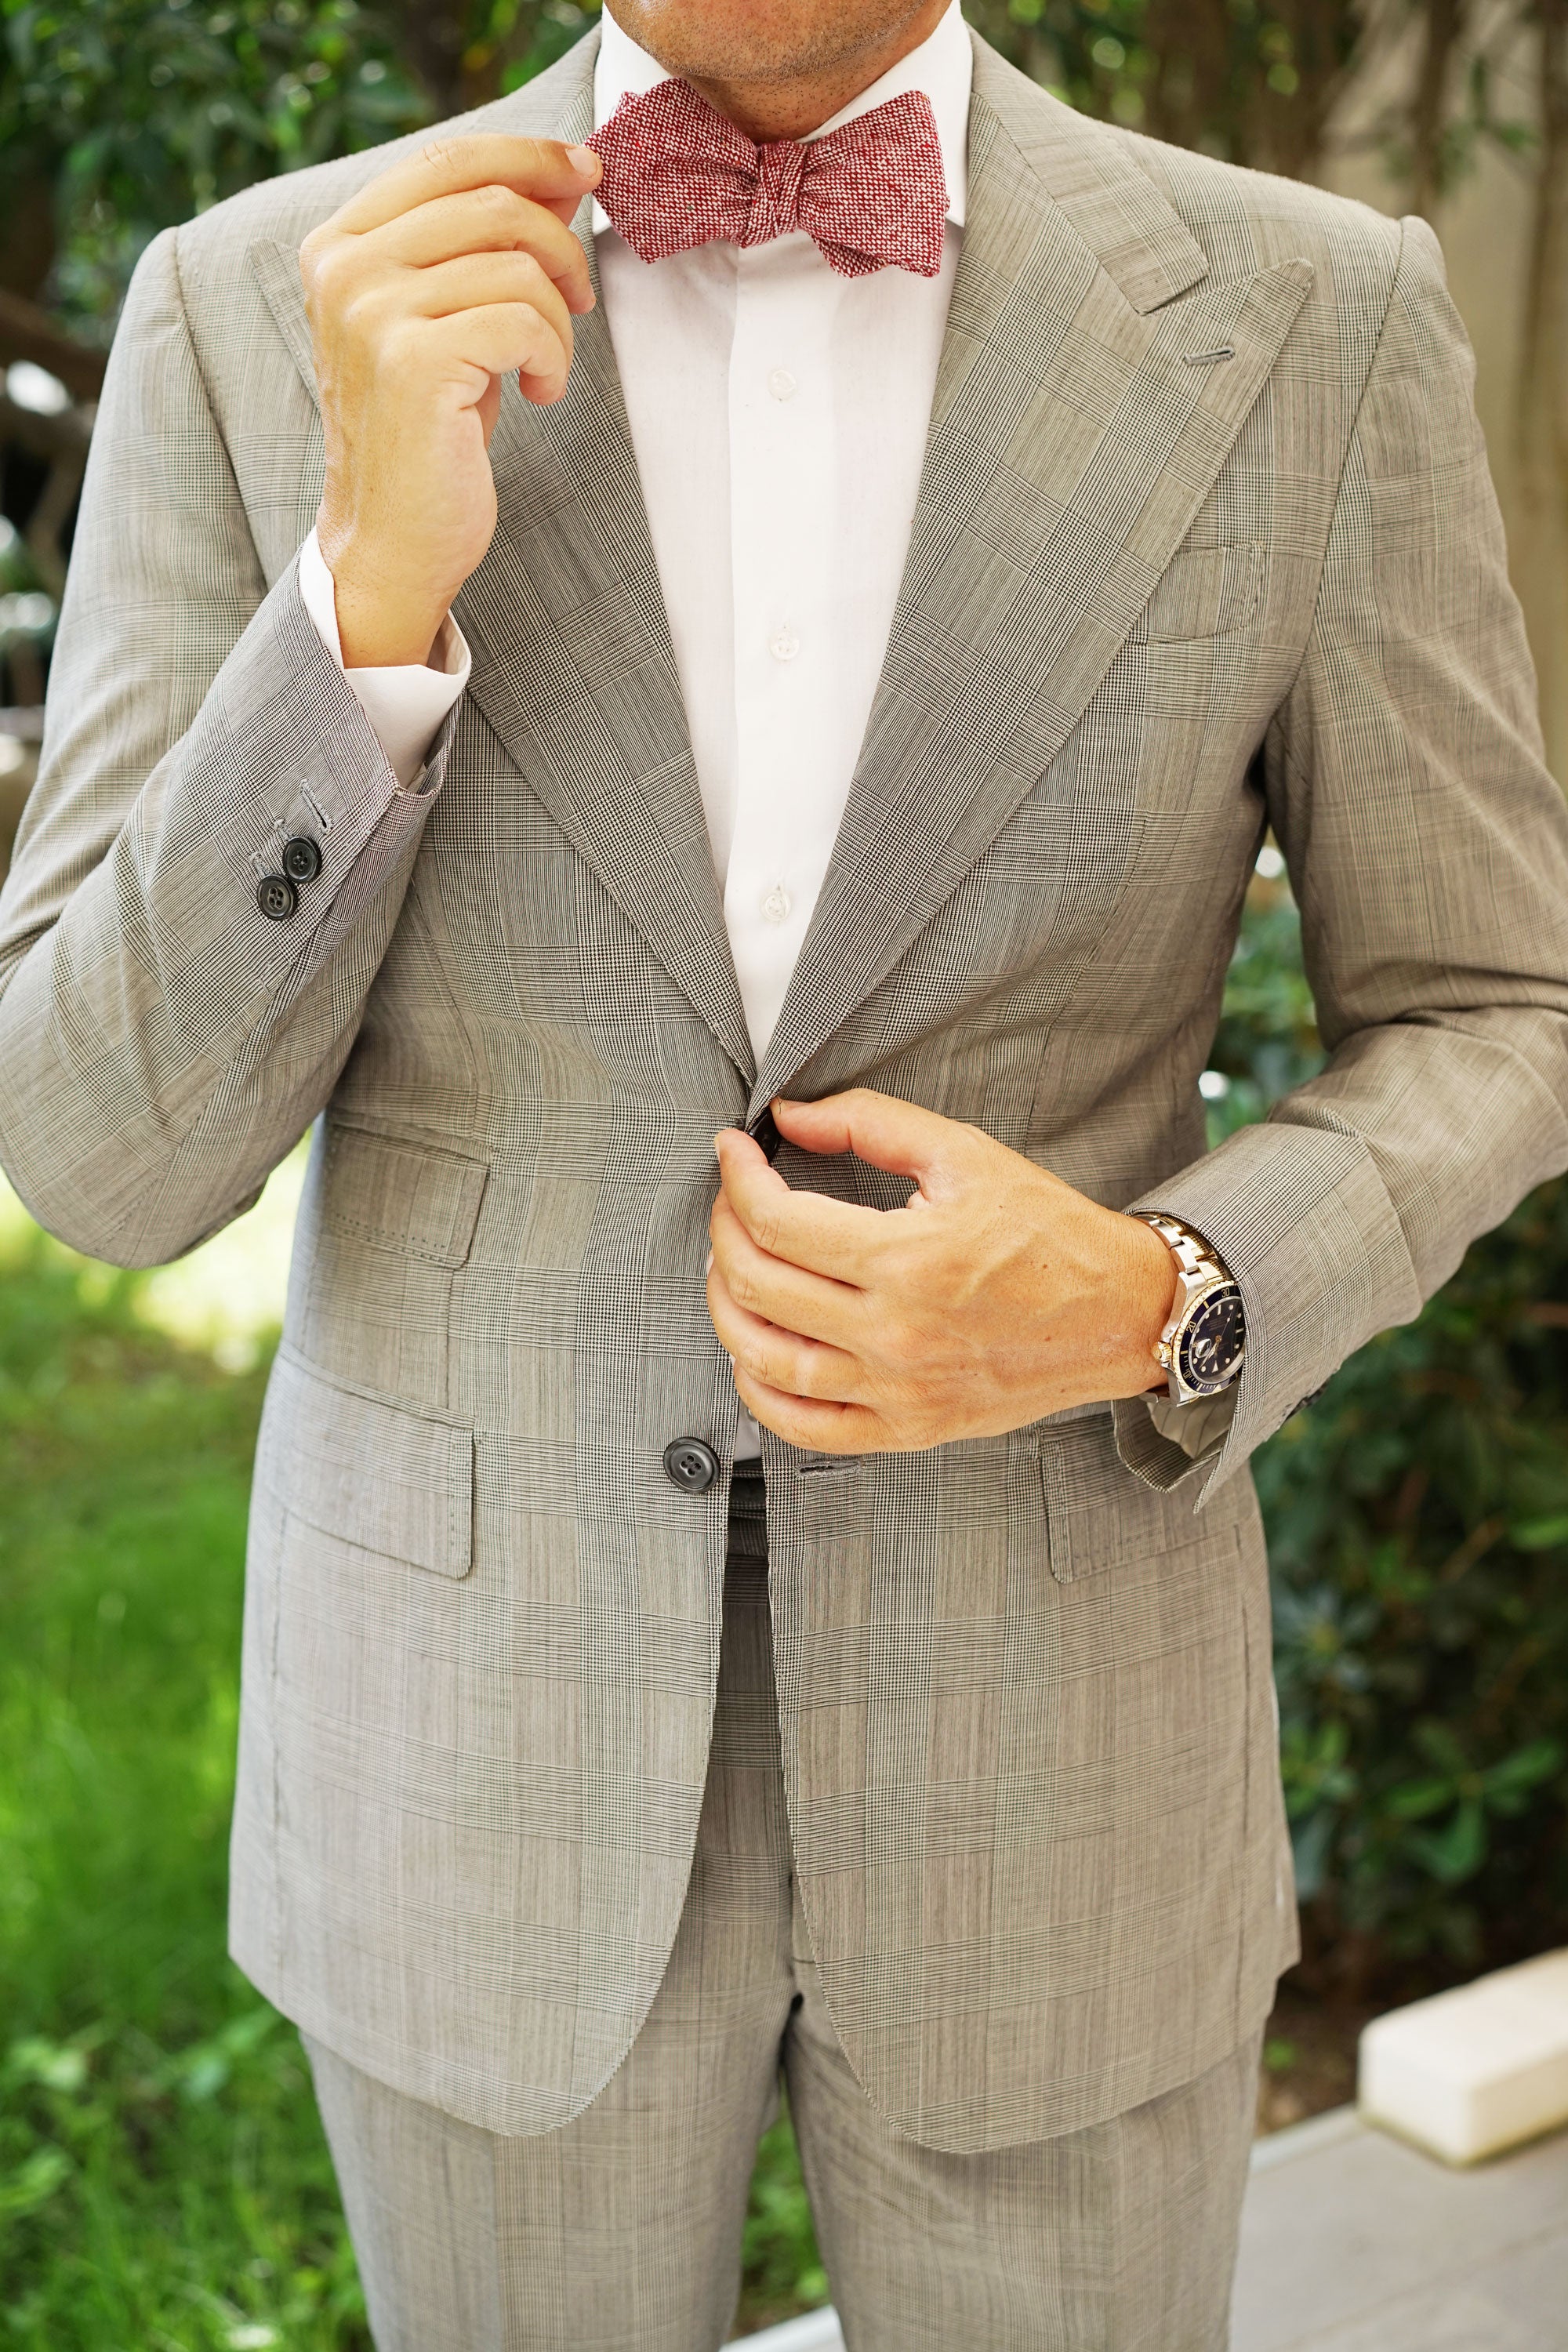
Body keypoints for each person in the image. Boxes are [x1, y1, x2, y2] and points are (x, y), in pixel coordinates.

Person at [2, 0, 1566, 2343]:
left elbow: (1495, 1008)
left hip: (1064, 1774)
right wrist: (361, 605)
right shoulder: (257, 308)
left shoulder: (1312, 321)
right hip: (468, 1760)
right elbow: (104, 1158)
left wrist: (1172, 1284)